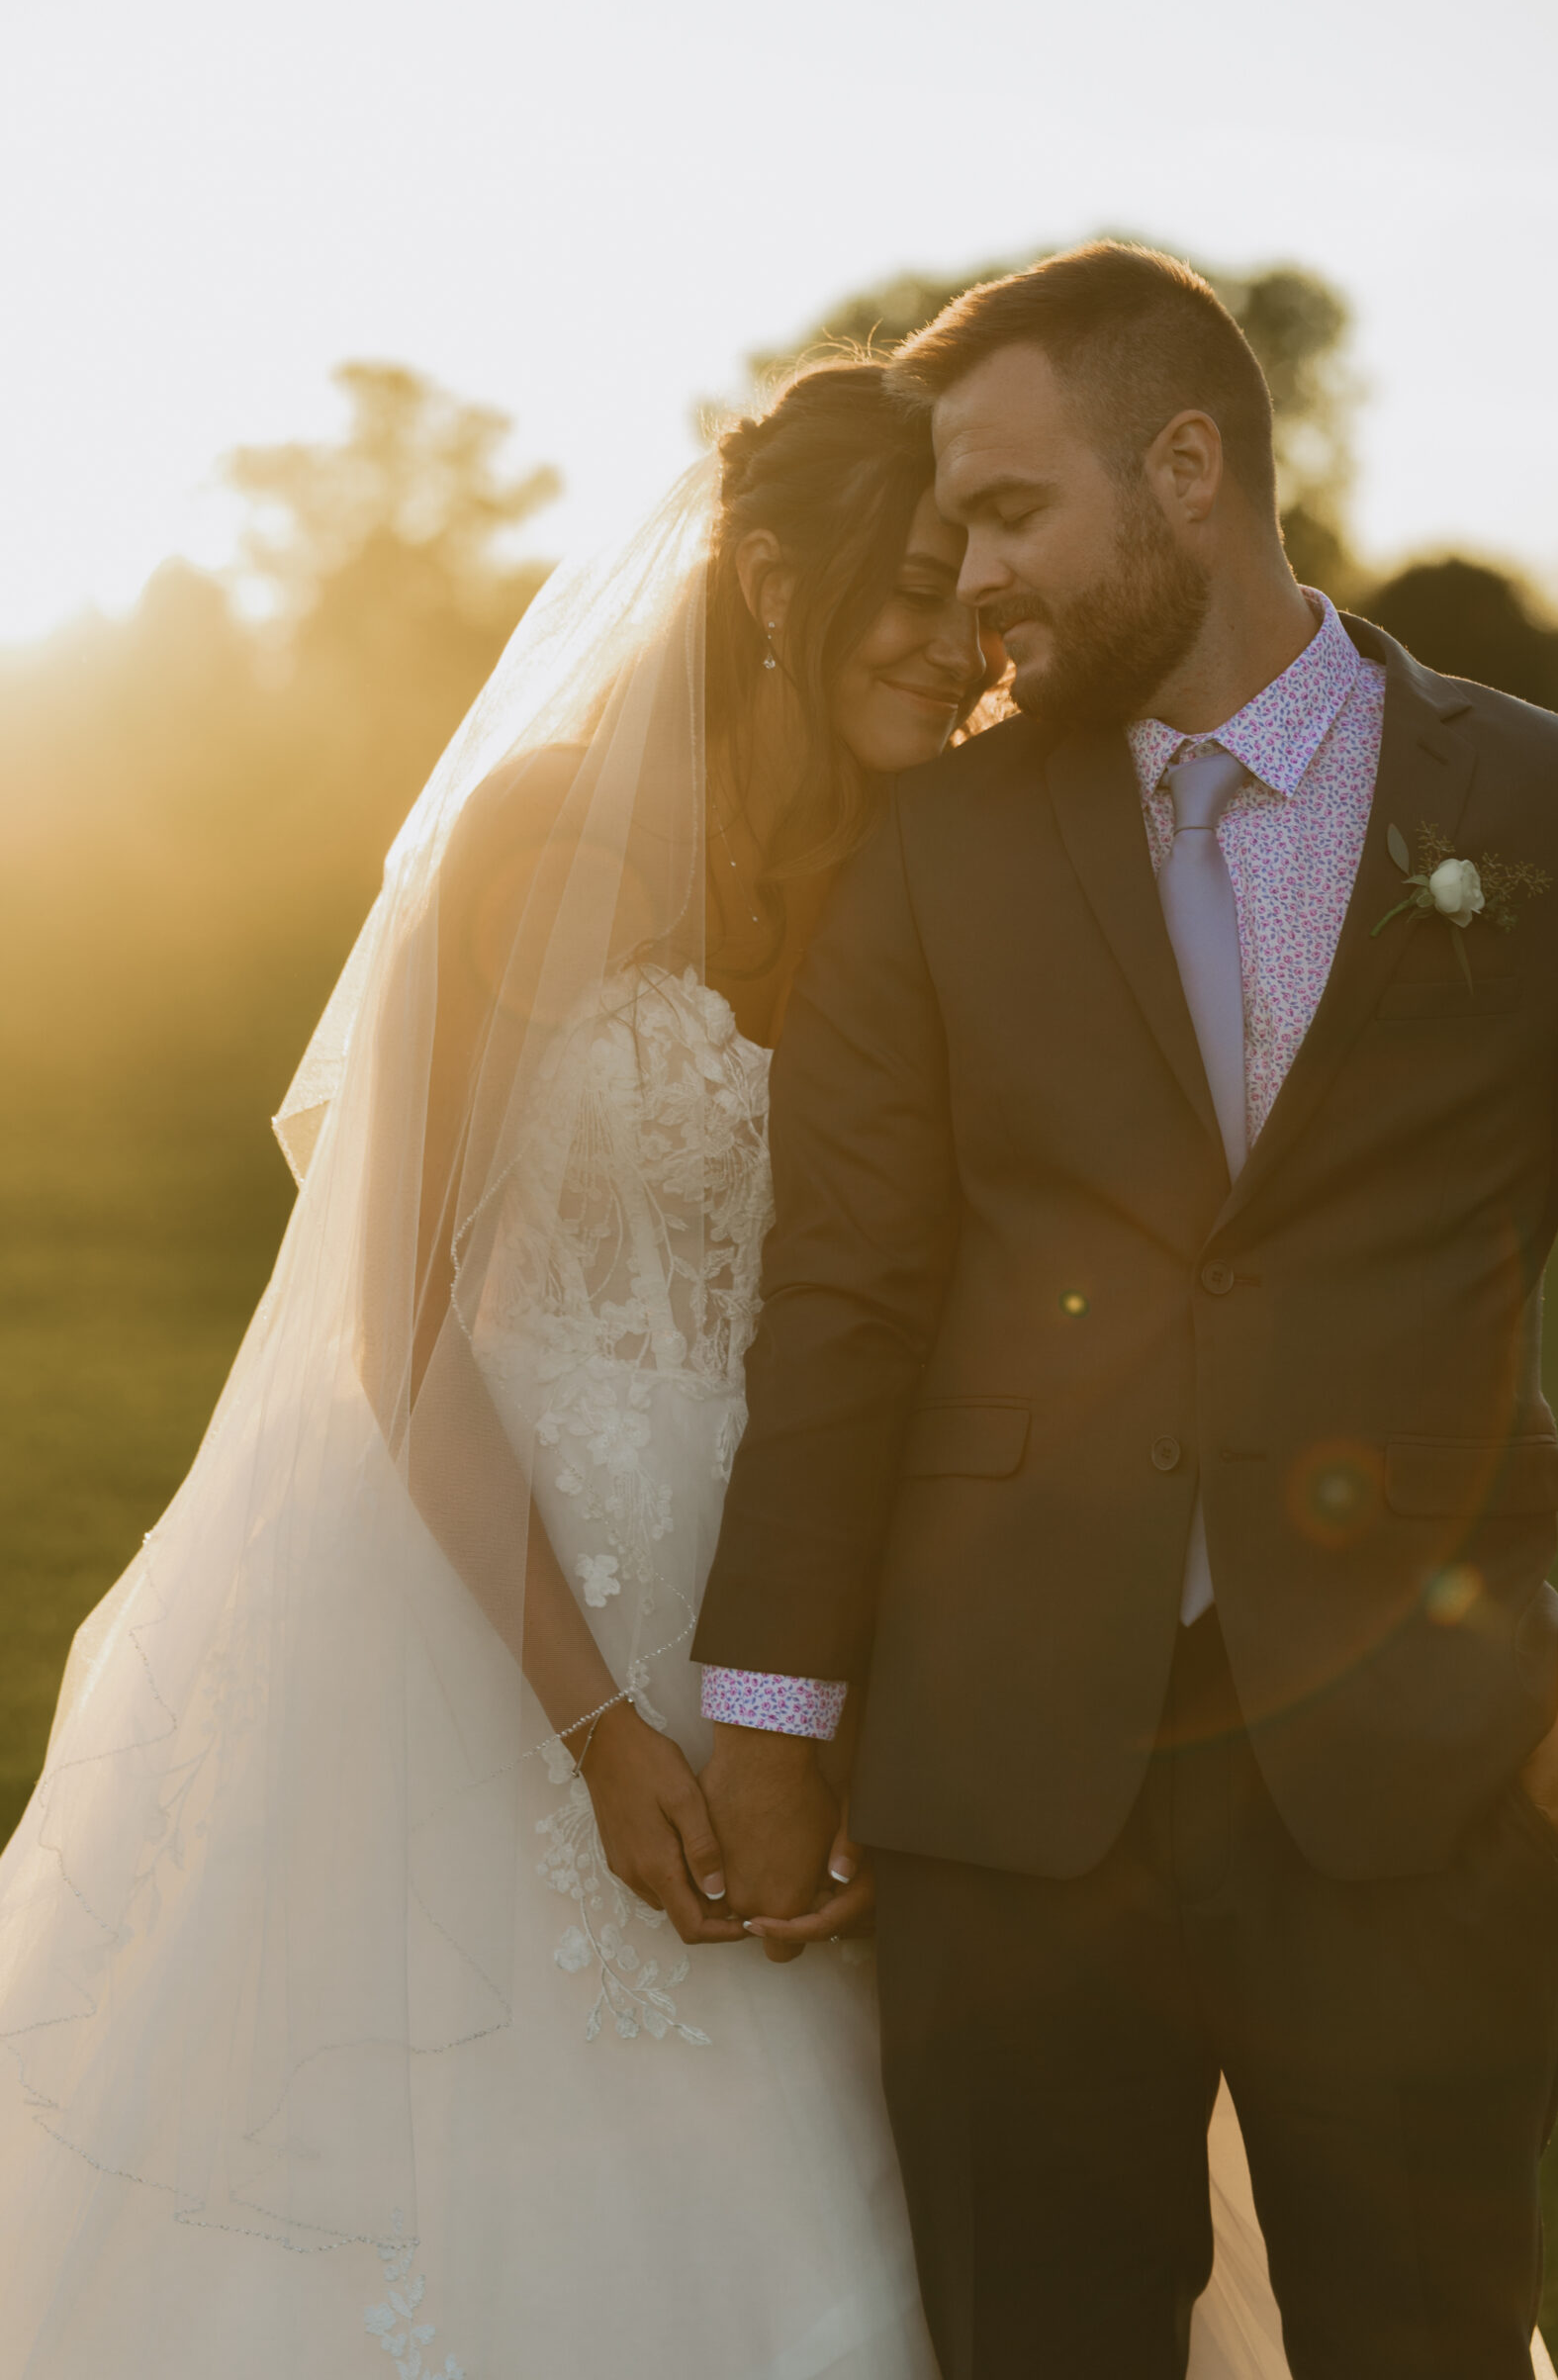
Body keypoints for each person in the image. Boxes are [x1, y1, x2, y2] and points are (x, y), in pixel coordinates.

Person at [0, 358, 1291, 2376]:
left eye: (985, 596)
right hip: (495, 1607)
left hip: (824, 1617)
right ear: (773, 579)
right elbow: (399, 1314)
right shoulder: (537, 837)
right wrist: (600, 1722)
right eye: (919, 586)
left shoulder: (936, 865)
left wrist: (891, 1694)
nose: (965, 648)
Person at [694, 245, 1558, 2378]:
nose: (969, 574)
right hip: (1001, 1786)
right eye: (954, 529)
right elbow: (841, 1297)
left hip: (1422, 1777)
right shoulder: (930, 847)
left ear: (1186, 469)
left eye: (1007, 513)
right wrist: (771, 1713)